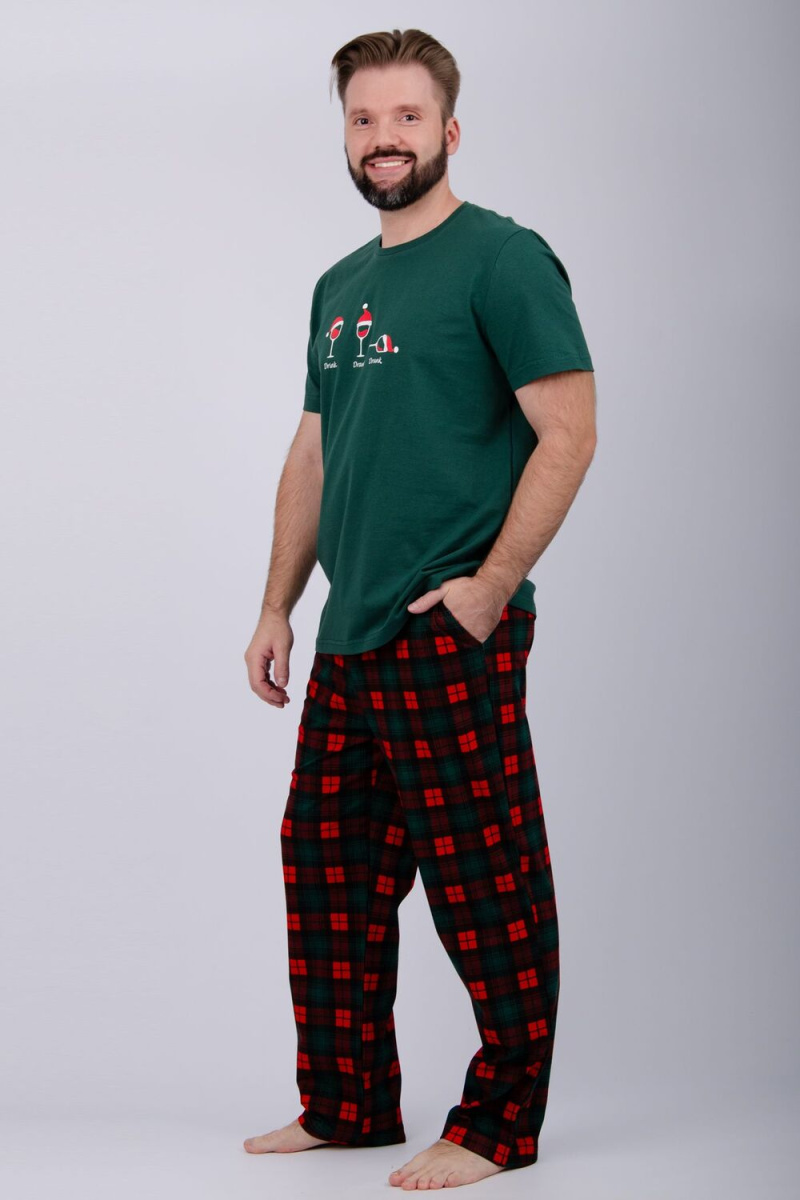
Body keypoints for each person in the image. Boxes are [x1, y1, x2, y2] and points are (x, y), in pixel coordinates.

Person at [243, 26, 597, 1191]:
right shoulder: (339, 285)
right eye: (362, 118)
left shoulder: (502, 260)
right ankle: (347, 1106)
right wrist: (276, 606)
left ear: (448, 130)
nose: (381, 138)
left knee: (483, 882)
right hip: (349, 637)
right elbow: (312, 452)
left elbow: (568, 432)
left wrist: (487, 591)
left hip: (445, 628)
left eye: (404, 117)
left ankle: (497, 1125)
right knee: (326, 872)